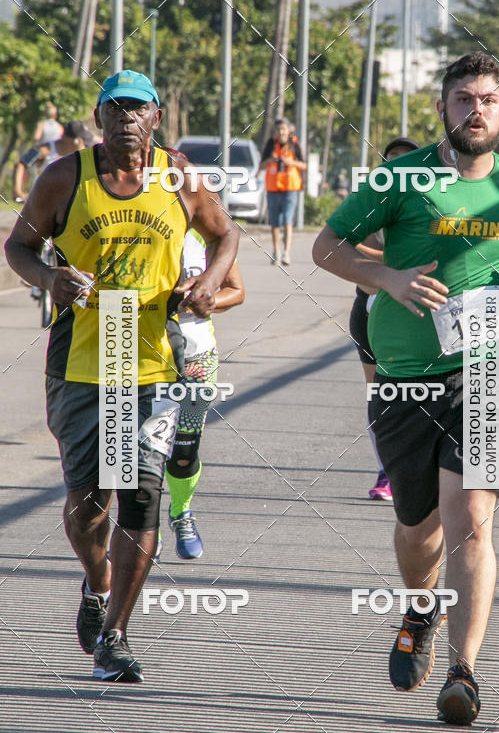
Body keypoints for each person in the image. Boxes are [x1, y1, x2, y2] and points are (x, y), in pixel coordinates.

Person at [313, 52, 499, 725]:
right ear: (442, 109)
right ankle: (419, 608)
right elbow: (327, 246)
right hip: (402, 377)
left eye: (486, 99)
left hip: (489, 368)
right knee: (417, 527)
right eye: (462, 100)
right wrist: (386, 278)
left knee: (470, 522)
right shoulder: (402, 177)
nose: (475, 110)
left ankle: (465, 673)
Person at [4, 69, 239, 682]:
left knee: (140, 499)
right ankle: (95, 580)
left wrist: (209, 284)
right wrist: (47, 278)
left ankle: (116, 634)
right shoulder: (66, 177)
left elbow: (225, 236)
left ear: (157, 118)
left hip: (155, 359)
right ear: (98, 116)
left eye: (138, 109)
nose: (126, 119)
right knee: (88, 507)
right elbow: (19, 247)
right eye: (115, 109)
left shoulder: (178, 176)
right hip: (85, 356)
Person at [159, 150, 245, 559]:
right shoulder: (134, 226)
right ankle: (137, 527)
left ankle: (181, 510)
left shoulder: (205, 230)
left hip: (194, 350)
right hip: (132, 344)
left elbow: (236, 291)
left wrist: (206, 296)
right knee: (125, 448)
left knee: (185, 444)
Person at [349, 136, 420, 501]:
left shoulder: (430, 204)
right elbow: (340, 242)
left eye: (407, 161)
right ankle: (386, 471)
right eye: (392, 161)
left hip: (415, 314)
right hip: (370, 307)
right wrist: (389, 264)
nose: (399, 168)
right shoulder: (371, 202)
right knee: (379, 393)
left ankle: (419, 465)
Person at [259, 118, 306, 266]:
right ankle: (276, 251)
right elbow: (261, 166)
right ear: (275, 131)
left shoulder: (294, 144)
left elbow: (304, 164)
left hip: (290, 188)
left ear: (288, 130)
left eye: (283, 129)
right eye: (278, 129)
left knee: (287, 220)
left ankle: (286, 253)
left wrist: (291, 163)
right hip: (273, 188)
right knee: (275, 222)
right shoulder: (270, 145)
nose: (281, 132)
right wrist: (271, 160)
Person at [13, 121, 95, 202]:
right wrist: (18, 191)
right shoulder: (45, 150)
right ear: (77, 141)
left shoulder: (79, 155)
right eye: (83, 140)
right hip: (42, 201)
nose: (85, 145)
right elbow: (21, 164)